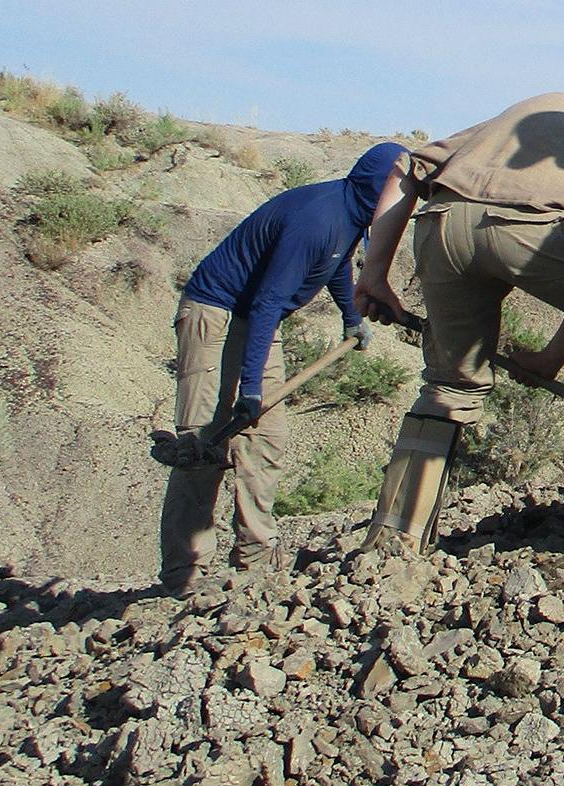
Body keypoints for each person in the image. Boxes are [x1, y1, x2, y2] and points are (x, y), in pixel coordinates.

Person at [350, 93, 564, 553]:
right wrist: (551, 357)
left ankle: (396, 535)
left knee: (451, 384)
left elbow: (403, 170)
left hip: (440, 221)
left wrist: (374, 275)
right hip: (533, 225)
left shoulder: (543, 111)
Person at [154, 142, 405, 594]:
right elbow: (271, 298)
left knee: (266, 439)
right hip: (216, 314)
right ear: (381, 186)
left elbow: (335, 265)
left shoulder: (351, 216)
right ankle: (184, 577)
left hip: (254, 319)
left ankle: (255, 562)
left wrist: (351, 316)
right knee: (204, 446)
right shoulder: (320, 218)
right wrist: (251, 389)